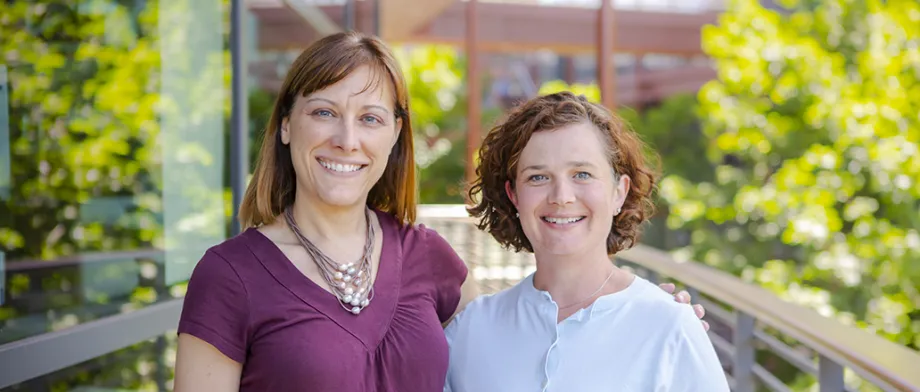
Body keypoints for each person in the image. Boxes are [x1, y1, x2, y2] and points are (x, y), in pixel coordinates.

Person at [173, 31, 707, 392]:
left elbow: (523, 332)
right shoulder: (230, 276)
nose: (346, 139)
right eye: (323, 112)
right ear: (286, 125)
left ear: (395, 135)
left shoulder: (425, 257)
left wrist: (641, 313)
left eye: (371, 118)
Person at [446, 91, 729, 391]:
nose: (562, 197)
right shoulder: (471, 331)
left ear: (619, 192)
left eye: (582, 174)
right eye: (538, 177)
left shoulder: (669, 327)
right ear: (514, 195)